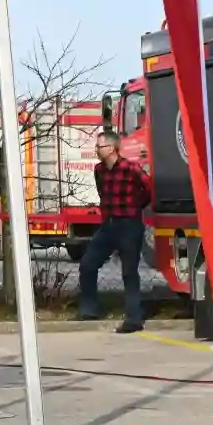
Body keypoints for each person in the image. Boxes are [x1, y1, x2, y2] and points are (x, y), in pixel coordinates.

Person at [79, 129, 152, 334]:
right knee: (87, 264)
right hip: (108, 225)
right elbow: (102, 192)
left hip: (129, 225)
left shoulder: (131, 168)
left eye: (100, 146)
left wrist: (136, 205)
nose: (96, 150)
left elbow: (149, 188)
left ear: (112, 148)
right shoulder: (99, 170)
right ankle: (89, 310)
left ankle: (134, 319)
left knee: (129, 271)